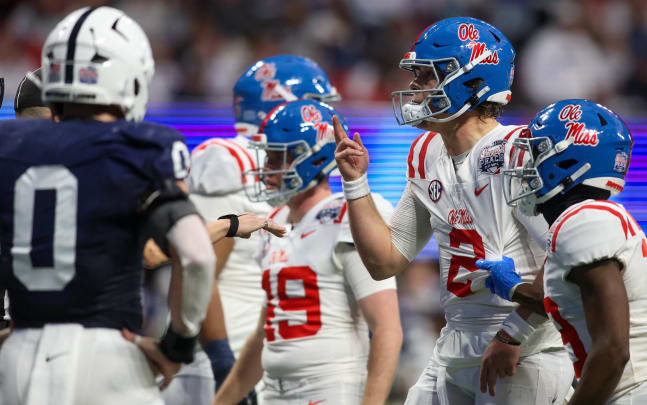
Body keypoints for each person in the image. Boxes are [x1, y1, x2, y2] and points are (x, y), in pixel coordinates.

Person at [0, 7, 275, 405]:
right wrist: (176, 347)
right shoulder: (142, 145)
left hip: (16, 358)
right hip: (106, 354)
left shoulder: (8, 145)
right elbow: (195, 255)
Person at [333, 17, 573, 404]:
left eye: (426, 76)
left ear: (471, 82)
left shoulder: (518, 151)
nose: (414, 88)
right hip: (455, 343)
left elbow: (568, 256)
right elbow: (385, 262)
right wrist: (355, 183)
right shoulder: (425, 152)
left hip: (525, 349)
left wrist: (515, 332)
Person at [483, 99, 647, 404]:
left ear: (570, 161)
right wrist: (516, 291)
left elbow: (612, 351)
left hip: (637, 392)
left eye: (537, 153)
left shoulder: (583, 220)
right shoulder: (588, 218)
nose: (526, 165)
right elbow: (580, 307)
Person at [154, 54, 342, 405]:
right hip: (219, 359)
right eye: (317, 105)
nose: (323, 118)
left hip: (264, 358)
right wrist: (222, 358)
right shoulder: (233, 159)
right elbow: (199, 265)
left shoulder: (294, 165)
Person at [213, 99, 403, 405]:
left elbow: (387, 328)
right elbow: (265, 334)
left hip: (330, 390)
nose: (267, 169)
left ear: (311, 159)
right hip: (274, 392)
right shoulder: (274, 224)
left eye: (276, 158)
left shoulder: (345, 216)